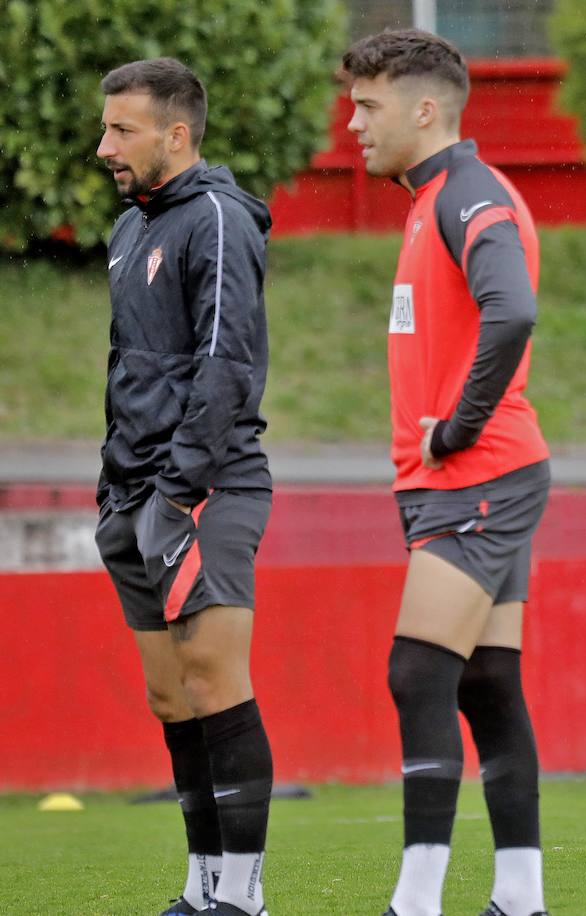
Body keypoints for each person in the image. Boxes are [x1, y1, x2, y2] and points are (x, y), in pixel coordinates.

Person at [340, 30, 550, 916]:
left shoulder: (468, 195)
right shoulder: (434, 198)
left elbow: (513, 310)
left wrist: (456, 428)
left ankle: (415, 902)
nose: (352, 124)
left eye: (368, 105)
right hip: (471, 480)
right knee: (485, 682)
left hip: (479, 478)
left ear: (425, 109)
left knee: (417, 674)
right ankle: (520, 899)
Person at [93, 58, 275, 915]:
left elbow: (225, 365)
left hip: (206, 487)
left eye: (122, 130)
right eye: (105, 127)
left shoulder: (218, 219)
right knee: (169, 695)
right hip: (132, 495)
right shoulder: (131, 228)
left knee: (213, 681)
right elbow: (129, 366)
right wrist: (117, 493)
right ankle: (201, 888)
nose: (105, 147)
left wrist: (175, 494)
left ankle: (243, 896)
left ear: (177, 134)